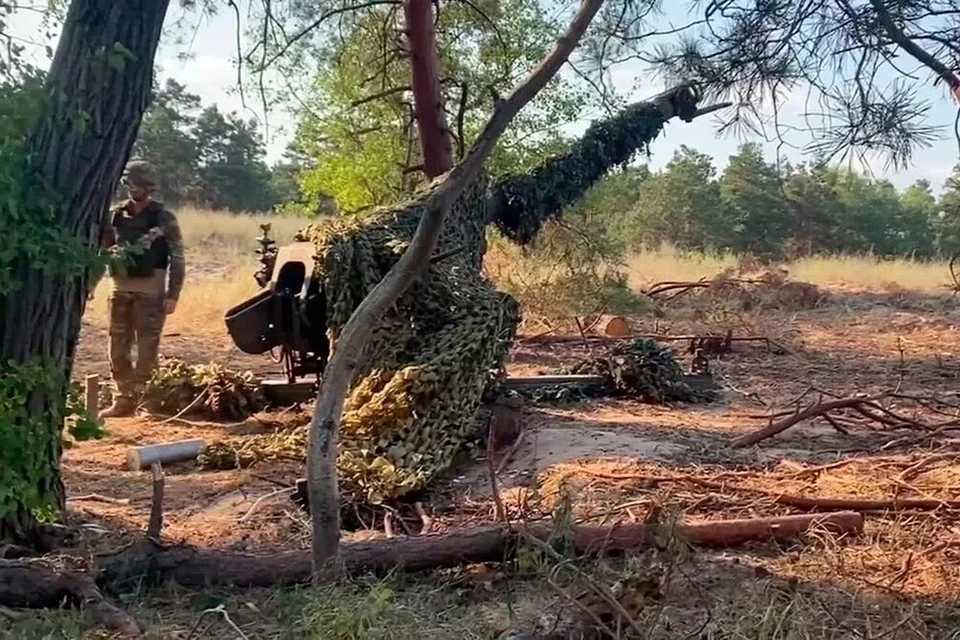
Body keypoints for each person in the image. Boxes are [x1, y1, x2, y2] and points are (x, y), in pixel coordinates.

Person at [94, 160, 186, 418]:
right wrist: (90, 284)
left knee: (147, 350)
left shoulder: (164, 218)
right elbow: (104, 253)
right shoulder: (115, 215)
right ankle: (123, 399)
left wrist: (172, 295)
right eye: (129, 184)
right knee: (117, 348)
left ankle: (148, 402)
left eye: (138, 185)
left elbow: (177, 258)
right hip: (119, 290)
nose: (132, 189)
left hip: (151, 292)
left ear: (148, 186)